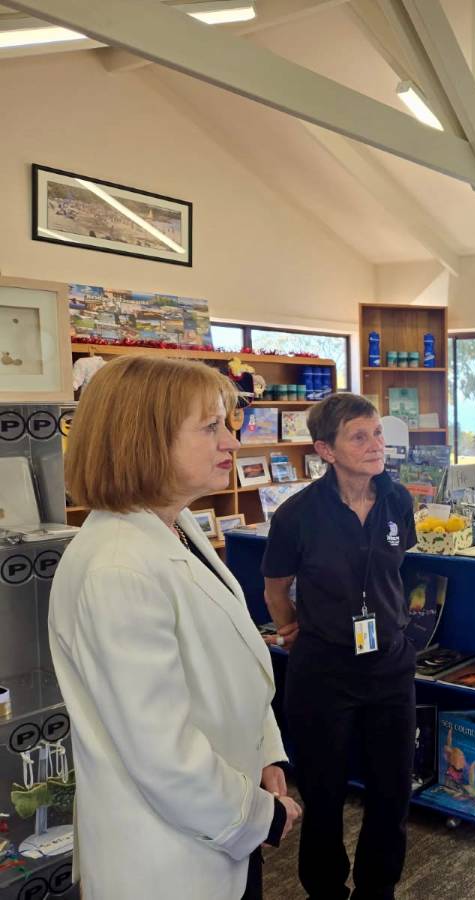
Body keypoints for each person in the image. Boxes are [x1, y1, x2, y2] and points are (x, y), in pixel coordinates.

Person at [48, 355, 301, 900]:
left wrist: (264, 750)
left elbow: (231, 662)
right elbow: (162, 753)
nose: (231, 442)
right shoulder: (118, 567)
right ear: (143, 440)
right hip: (168, 860)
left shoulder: (176, 524)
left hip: (216, 830)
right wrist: (260, 816)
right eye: (210, 428)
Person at [261, 393, 417, 900]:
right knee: (324, 793)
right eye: (359, 437)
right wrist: (291, 628)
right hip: (323, 670)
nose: (376, 445)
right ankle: (326, 890)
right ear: (325, 450)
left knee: (392, 791)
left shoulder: (398, 500)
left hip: (390, 666)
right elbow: (276, 588)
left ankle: (378, 889)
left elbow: (395, 568)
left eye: (378, 434)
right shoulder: (297, 515)